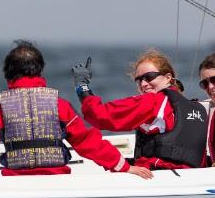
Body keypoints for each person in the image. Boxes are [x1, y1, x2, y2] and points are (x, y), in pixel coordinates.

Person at [0, 40, 152, 179]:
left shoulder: (2, 109)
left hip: (16, 182)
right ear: (39, 71)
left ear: (8, 74)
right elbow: (88, 142)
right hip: (57, 180)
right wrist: (123, 167)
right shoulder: (59, 105)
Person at [72, 49, 207, 170]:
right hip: (191, 175)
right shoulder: (196, 107)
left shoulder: (153, 102)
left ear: (167, 78)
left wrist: (82, 86)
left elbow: (99, 115)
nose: (143, 84)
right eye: (139, 80)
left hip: (160, 173)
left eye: (149, 77)